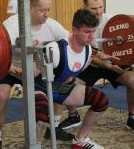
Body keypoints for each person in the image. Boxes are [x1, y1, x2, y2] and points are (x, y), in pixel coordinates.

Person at [0, 0, 71, 149]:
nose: (46, 14)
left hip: (34, 68)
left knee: (58, 82)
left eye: (48, 10)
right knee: (0, 95)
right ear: (30, 8)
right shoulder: (12, 25)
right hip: (7, 65)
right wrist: (10, 68)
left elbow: (70, 42)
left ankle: (52, 128)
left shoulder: (51, 25)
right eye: (41, 10)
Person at [59, 0, 134, 134]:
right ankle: (73, 116)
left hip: (113, 62)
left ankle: (132, 118)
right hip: (90, 64)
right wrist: (106, 63)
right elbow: (88, 54)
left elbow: (131, 38)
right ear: (84, 7)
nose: (98, 12)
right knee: (65, 84)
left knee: (133, 81)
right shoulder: (80, 26)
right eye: (93, 8)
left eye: (100, 7)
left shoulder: (113, 21)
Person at [34, 8, 108, 148]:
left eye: (93, 31)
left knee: (101, 100)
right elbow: (32, 77)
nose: (91, 36)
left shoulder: (88, 51)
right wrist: (37, 57)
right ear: (74, 30)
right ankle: (35, 146)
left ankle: (80, 139)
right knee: (42, 114)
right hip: (40, 87)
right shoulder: (54, 50)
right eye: (86, 32)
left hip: (58, 88)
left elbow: (71, 76)